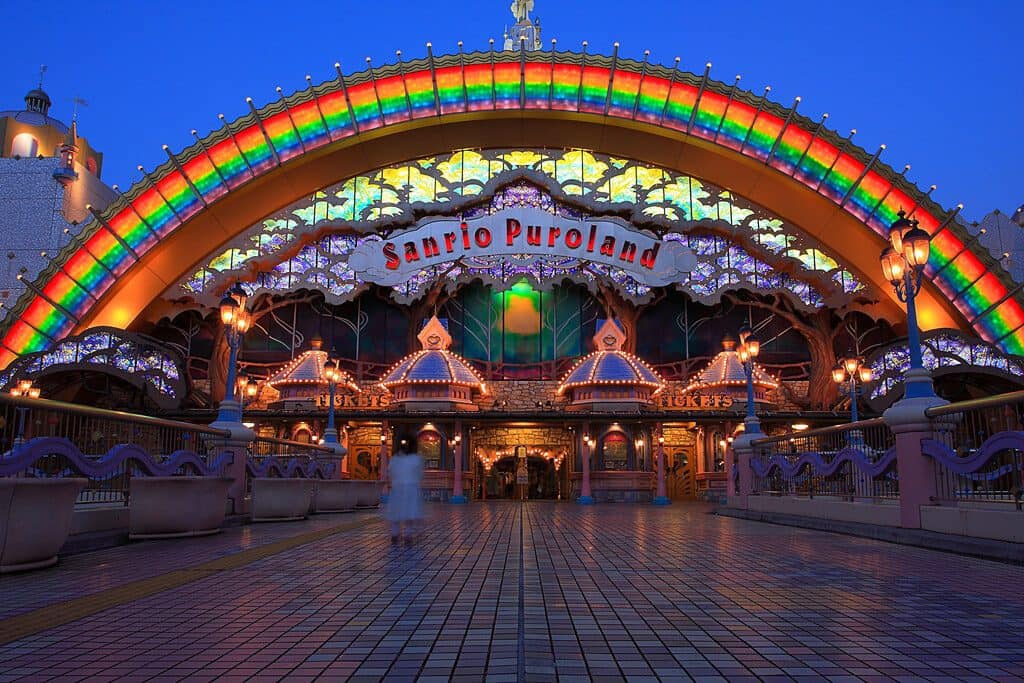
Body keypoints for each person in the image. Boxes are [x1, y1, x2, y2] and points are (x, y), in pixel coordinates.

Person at [385, 435, 424, 545]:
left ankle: (395, 534)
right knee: (410, 512)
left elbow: (390, 473)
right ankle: (408, 535)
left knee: (396, 513)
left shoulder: (394, 459)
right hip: (411, 488)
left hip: (397, 488)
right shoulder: (416, 459)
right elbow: (420, 475)